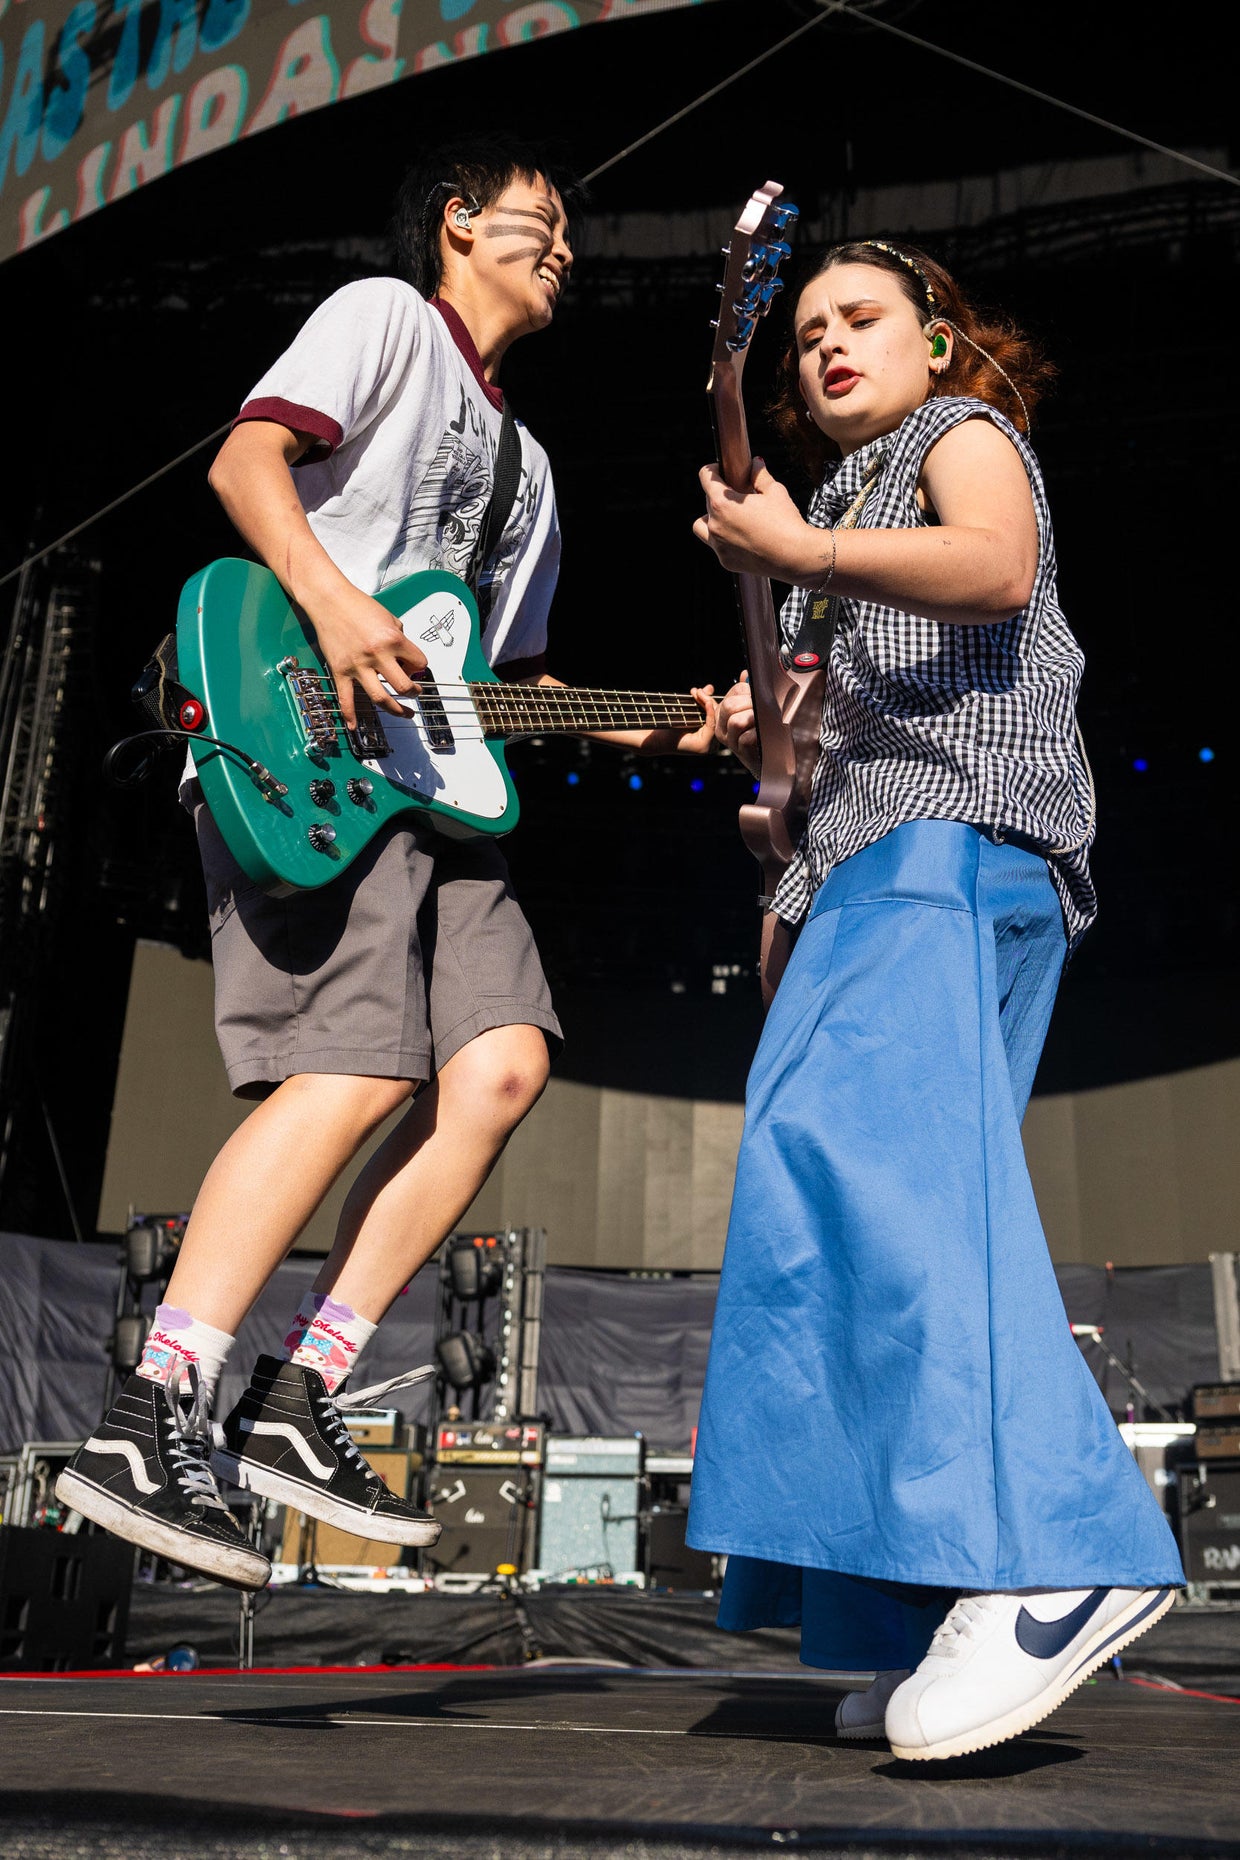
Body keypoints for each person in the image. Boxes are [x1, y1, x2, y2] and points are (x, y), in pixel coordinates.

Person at [57, 134, 715, 1590]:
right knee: (351, 1071)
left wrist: (661, 724)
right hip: (306, 746)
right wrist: (340, 608)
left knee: (500, 1068)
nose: (564, 247)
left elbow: (502, 686)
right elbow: (245, 461)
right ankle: (149, 1412)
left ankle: (299, 1398)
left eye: (568, 234)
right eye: (539, 219)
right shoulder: (383, 320)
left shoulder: (531, 471)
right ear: (458, 222)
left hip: (433, 791)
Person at [684, 238, 1185, 1761]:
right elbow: (832, 740)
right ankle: (916, 1603)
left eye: (863, 320)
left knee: (881, 1188)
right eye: (811, 332)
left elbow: (997, 570)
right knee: (845, 1200)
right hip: (885, 861)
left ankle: (1053, 1553)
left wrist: (803, 561)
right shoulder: (836, 515)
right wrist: (765, 717)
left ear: (937, 341)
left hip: (951, 845)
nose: (830, 344)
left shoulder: (957, 442)